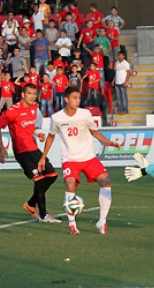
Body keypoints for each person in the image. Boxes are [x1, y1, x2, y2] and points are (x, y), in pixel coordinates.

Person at [38, 86, 120, 235]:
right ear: (66, 99)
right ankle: (72, 224)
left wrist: (107, 141)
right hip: (70, 159)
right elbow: (51, 136)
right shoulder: (57, 117)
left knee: (106, 182)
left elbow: (94, 131)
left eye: (79, 98)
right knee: (70, 185)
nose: (77, 101)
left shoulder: (85, 114)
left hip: (88, 157)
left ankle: (102, 221)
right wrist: (43, 157)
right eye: (74, 98)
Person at [0, 84, 60, 222]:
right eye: (29, 93)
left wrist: (37, 132)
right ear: (23, 95)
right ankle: (43, 215)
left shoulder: (34, 108)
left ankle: (30, 204)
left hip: (33, 148)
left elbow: (28, 126)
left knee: (52, 175)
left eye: (34, 94)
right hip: (22, 151)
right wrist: (1, 148)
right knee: (40, 180)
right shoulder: (13, 111)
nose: (32, 96)